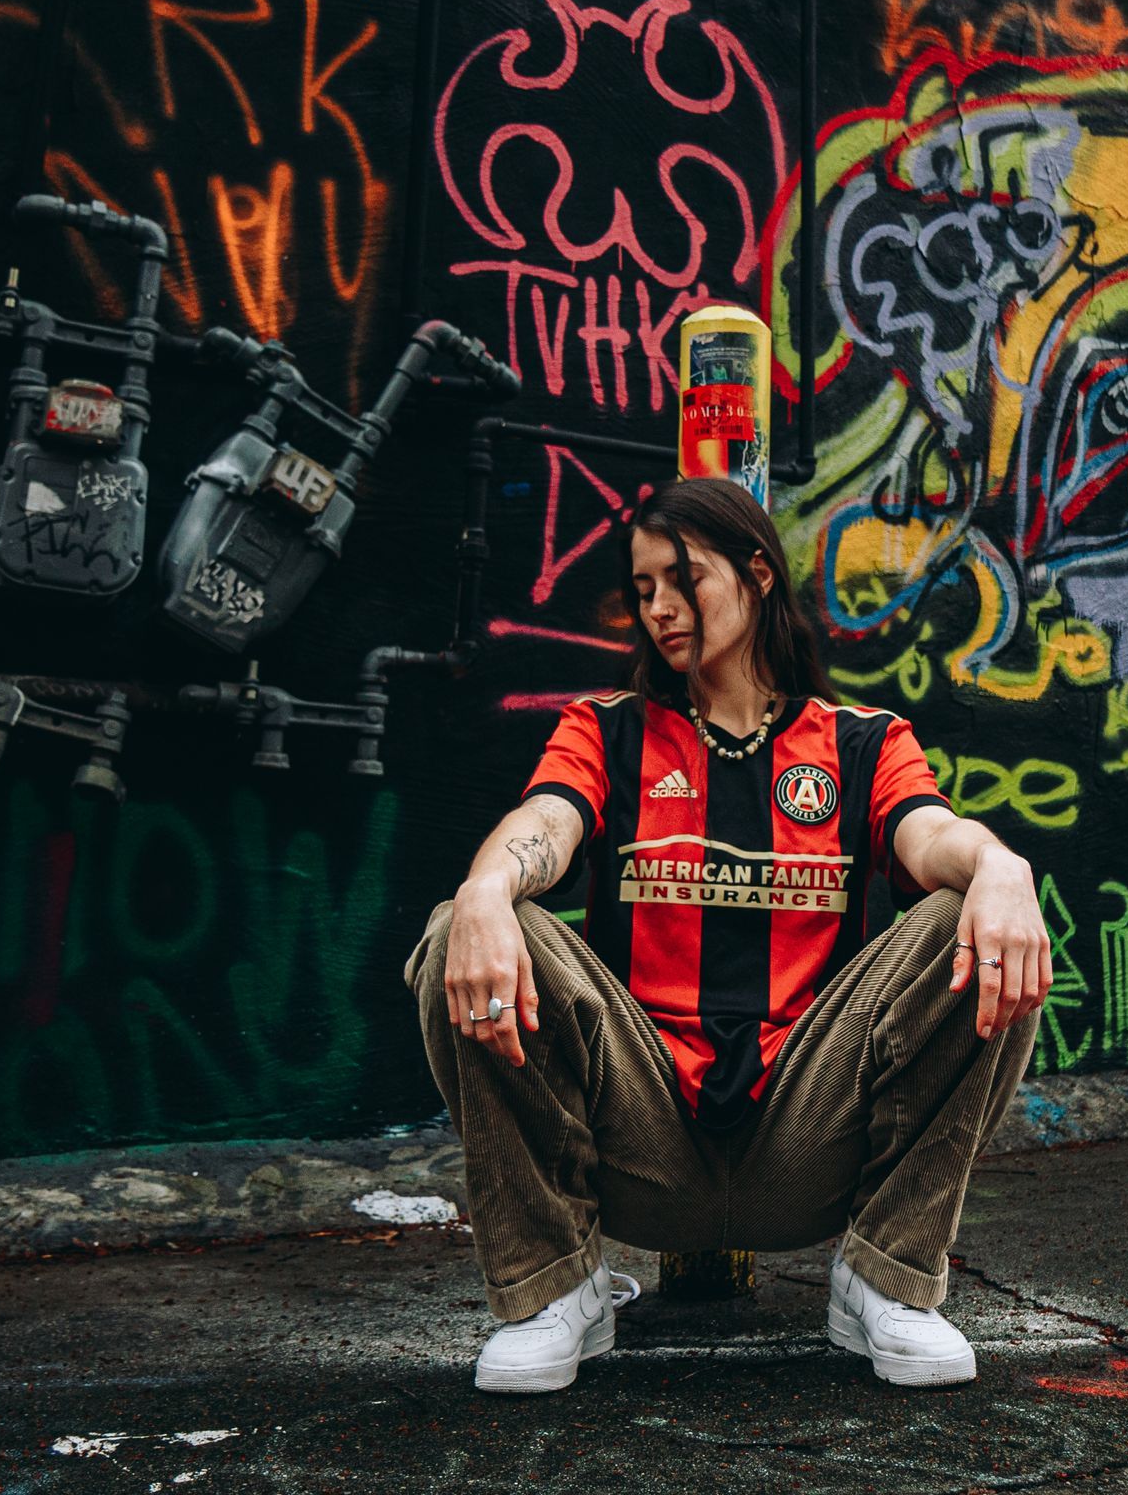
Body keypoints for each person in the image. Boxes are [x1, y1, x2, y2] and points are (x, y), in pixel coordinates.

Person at [403, 477, 1053, 1393]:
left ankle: (887, 1276)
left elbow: (930, 834)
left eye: (683, 579)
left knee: (973, 918)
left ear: (757, 575)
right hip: (639, 1136)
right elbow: (545, 822)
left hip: (808, 1132)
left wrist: (1000, 867)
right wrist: (483, 889)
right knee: (463, 931)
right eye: (643, 590)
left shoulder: (863, 743)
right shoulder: (608, 731)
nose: (660, 609)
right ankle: (556, 1287)